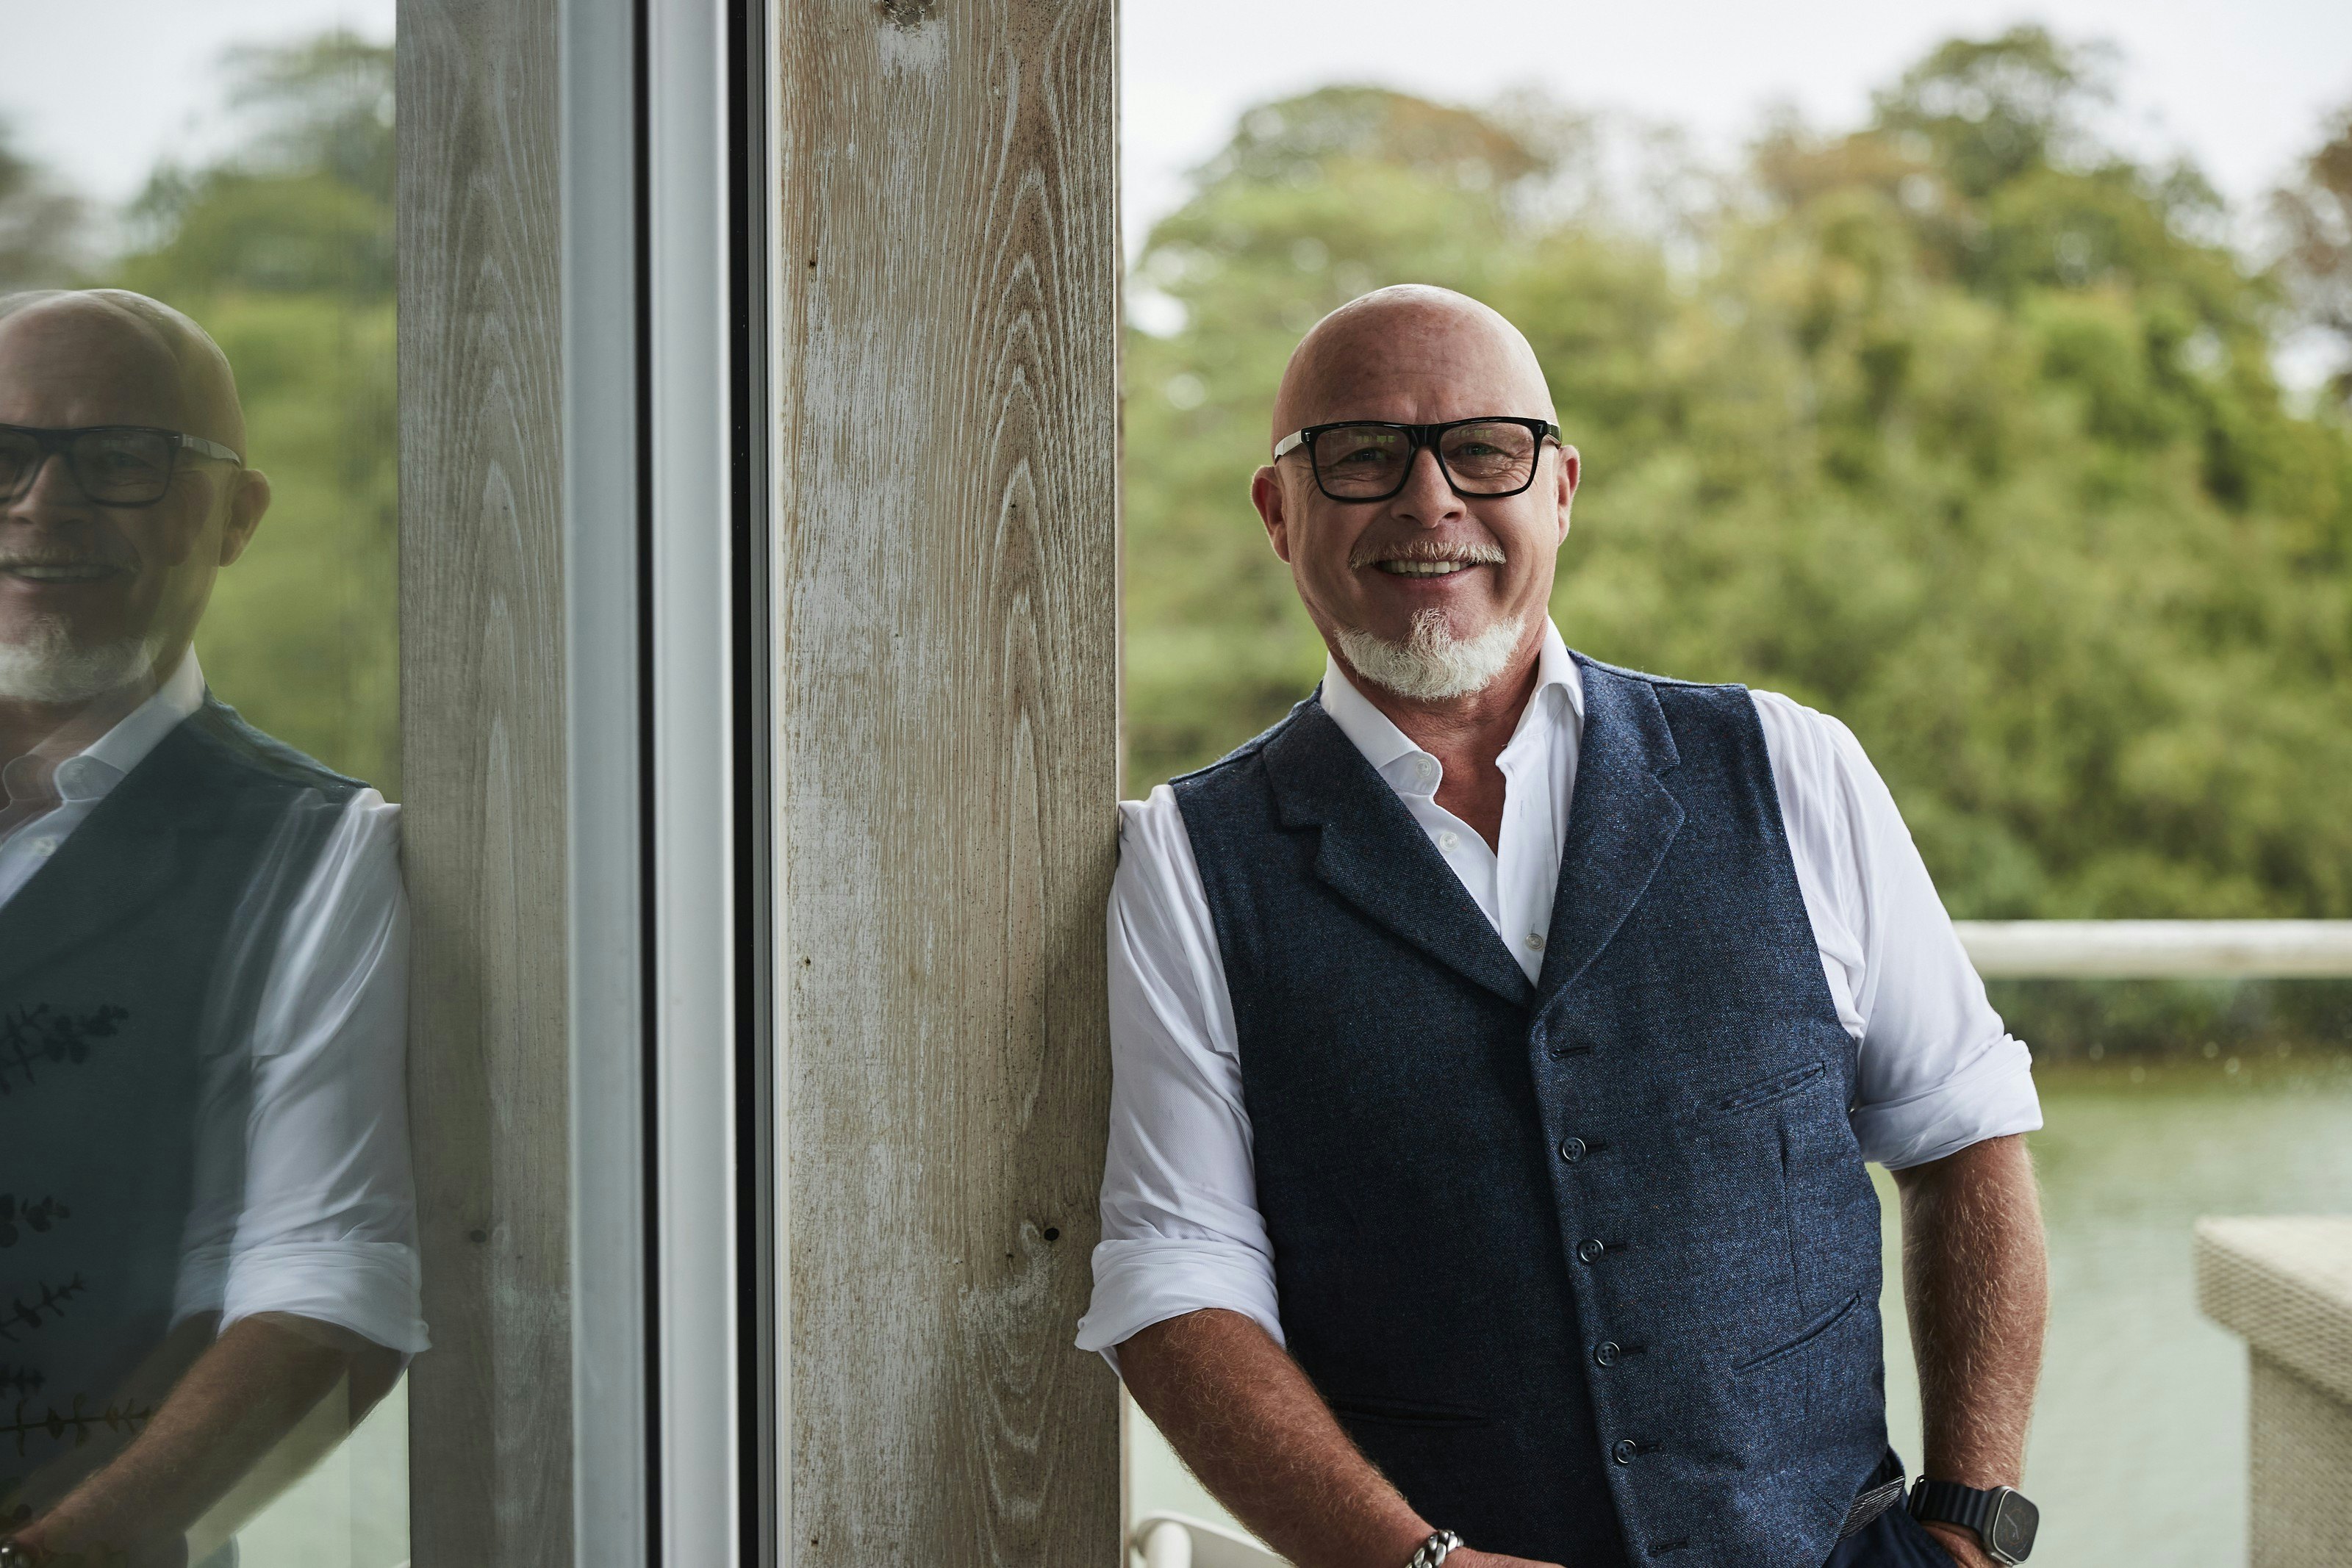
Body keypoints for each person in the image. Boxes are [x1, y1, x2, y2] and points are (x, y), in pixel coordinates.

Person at [1080, 286, 2049, 1568]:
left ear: (1561, 488)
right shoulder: (1189, 863)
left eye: (1485, 449)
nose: (1430, 502)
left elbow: (1966, 1137)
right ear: (1278, 510)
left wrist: (1972, 1527)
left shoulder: (1791, 766)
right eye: (1362, 454)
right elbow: (1177, 1280)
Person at [0, 289, 422, 1567]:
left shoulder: (318, 853)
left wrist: (53, 1557)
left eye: (122, 459)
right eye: (2, 456)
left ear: (237, 518)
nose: (41, 505)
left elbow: (323, 1286)